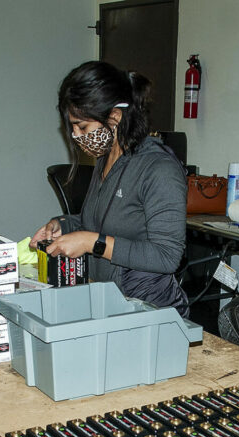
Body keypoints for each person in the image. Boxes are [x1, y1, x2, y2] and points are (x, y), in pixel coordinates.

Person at [30, 60, 189, 315]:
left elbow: (167, 256)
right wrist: (64, 225)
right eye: (71, 127)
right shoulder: (105, 158)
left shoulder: (159, 169)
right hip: (109, 300)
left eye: (82, 126)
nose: (75, 135)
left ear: (114, 116)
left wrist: (92, 242)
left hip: (148, 310)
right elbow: (98, 222)